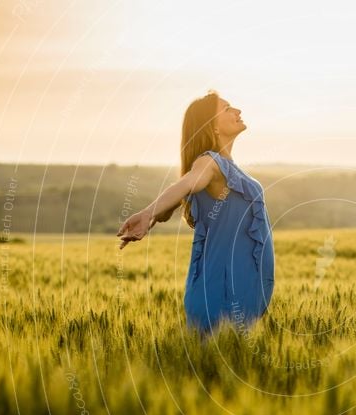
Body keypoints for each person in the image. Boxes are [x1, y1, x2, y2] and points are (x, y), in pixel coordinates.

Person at [117, 90, 275, 337]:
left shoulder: (229, 167)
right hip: (221, 292)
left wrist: (157, 214)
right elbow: (188, 182)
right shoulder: (210, 162)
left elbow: (183, 191)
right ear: (211, 126)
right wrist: (148, 213)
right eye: (226, 109)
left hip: (238, 289)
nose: (237, 111)